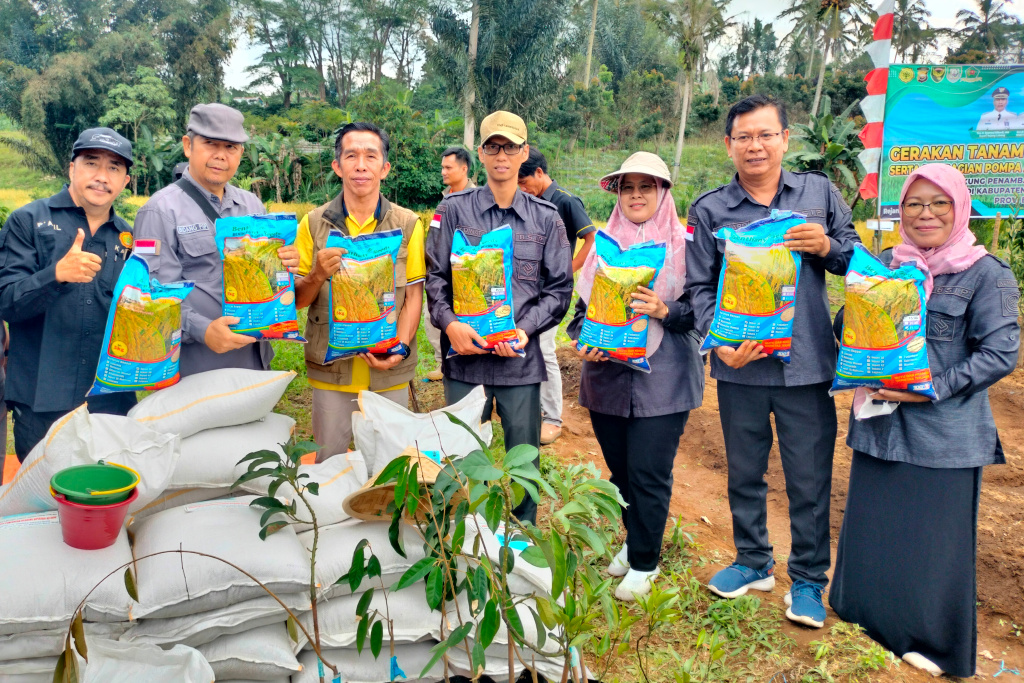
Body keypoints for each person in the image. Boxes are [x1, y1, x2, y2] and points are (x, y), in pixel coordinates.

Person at [829, 164, 1020, 678]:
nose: (925, 214)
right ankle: (864, 618)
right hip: (879, 424)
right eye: (914, 203)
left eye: (939, 204)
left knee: (931, 544)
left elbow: (1001, 353)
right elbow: (848, 327)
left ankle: (930, 642)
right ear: (900, 212)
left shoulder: (987, 273)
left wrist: (929, 389)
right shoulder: (888, 263)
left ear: (959, 210)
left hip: (944, 433)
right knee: (875, 529)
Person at [685, 94, 861, 628]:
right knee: (744, 470)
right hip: (740, 367)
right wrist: (719, 341)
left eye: (766, 135)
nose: (755, 146)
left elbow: (857, 261)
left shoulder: (819, 193)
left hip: (807, 366)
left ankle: (808, 580)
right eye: (744, 137)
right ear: (729, 145)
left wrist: (827, 245)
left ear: (785, 139)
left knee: (809, 479)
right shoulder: (710, 208)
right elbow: (698, 289)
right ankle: (752, 560)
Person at [426, 110, 573, 525]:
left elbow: (559, 290)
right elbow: (436, 278)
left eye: (510, 146)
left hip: (519, 365)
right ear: (481, 152)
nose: (502, 155)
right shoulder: (453, 210)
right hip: (464, 360)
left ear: (524, 152)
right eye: (493, 146)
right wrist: (450, 323)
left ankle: (522, 535)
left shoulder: (546, 218)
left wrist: (525, 331)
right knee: (461, 456)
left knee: (523, 460)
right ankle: (461, 533)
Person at [567, 152, 701, 601]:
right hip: (605, 378)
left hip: (663, 377)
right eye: (628, 187)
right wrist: (582, 340)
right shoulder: (604, 246)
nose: (637, 195)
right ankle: (633, 539)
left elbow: (702, 313)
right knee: (620, 471)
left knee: (648, 472)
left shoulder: (686, 246)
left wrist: (665, 309)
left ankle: (646, 561)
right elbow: (582, 314)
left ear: (663, 193)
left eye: (647, 186)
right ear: (618, 195)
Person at [0, 128, 137, 460]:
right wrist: (56, 275)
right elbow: (6, 301)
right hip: (42, 401)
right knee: (46, 500)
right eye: (92, 163)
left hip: (110, 401)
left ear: (126, 181)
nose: (102, 176)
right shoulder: (27, 221)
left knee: (106, 494)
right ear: (72, 168)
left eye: (114, 168)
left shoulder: (128, 238)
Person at [133, 103, 298, 377]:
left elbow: (265, 278)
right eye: (211, 144)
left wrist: (284, 264)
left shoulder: (252, 205)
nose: (221, 156)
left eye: (231, 147)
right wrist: (203, 331)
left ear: (240, 153)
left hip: (253, 362)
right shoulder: (160, 211)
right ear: (188, 146)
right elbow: (151, 298)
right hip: (195, 368)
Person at [294, 122, 424, 461]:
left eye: (371, 156)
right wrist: (317, 274)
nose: (361, 165)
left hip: (389, 370)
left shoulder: (408, 224)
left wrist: (401, 347)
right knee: (329, 465)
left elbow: (413, 296)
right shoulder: (312, 224)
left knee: (390, 466)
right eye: (351, 156)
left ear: (385, 167)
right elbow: (296, 301)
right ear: (338, 166)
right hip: (331, 371)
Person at [518, 147, 597, 444]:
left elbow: (591, 238)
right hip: (528, 291)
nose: (522, 188)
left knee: (546, 349)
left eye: (524, 182)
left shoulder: (564, 200)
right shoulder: (528, 202)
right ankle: (530, 406)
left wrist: (569, 270)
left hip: (552, 292)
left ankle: (552, 417)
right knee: (527, 345)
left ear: (539, 173)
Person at [425, 147, 479, 381]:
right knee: (434, 318)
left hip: (466, 272)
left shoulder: (477, 199)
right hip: (439, 272)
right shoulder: (445, 198)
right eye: (442, 167)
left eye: (448, 167)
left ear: (464, 168)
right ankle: (443, 364)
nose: (443, 172)